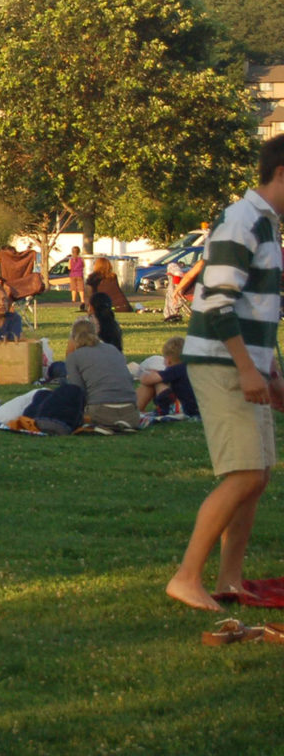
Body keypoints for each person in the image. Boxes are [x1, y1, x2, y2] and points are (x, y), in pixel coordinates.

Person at [167, 135, 284, 612]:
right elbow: (216, 303)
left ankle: (229, 579)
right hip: (222, 363)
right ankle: (186, 577)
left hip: (246, 364)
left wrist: (270, 369)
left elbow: (259, 307)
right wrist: (247, 369)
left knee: (257, 475)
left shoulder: (267, 225)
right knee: (243, 473)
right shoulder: (243, 219)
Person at [64, 316, 140, 430]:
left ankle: (105, 424)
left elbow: (77, 391)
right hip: (131, 413)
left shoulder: (74, 357)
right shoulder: (113, 349)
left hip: (100, 411)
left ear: (73, 338)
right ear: (96, 333)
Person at [138, 336, 201, 417]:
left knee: (158, 382)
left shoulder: (175, 369)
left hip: (184, 408)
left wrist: (145, 374)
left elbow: (147, 380)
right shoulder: (190, 368)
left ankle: (139, 409)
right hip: (198, 407)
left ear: (168, 361)